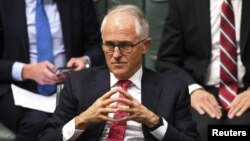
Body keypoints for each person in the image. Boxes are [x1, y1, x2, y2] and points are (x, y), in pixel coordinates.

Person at [37, 4, 200, 141]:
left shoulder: (173, 89)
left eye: (125, 46)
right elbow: (46, 138)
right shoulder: (77, 83)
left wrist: (154, 122)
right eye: (109, 45)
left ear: (145, 45)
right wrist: (81, 120)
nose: (115, 54)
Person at [0, 0, 104, 140]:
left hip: (69, 89)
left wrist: (85, 60)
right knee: (36, 122)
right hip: (16, 89)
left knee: (87, 121)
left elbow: (99, 46)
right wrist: (24, 71)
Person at [155, 0, 250, 141]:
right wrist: (192, 90)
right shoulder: (184, 3)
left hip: (246, 91)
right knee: (200, 131)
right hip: (200, 90)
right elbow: (166, 61)